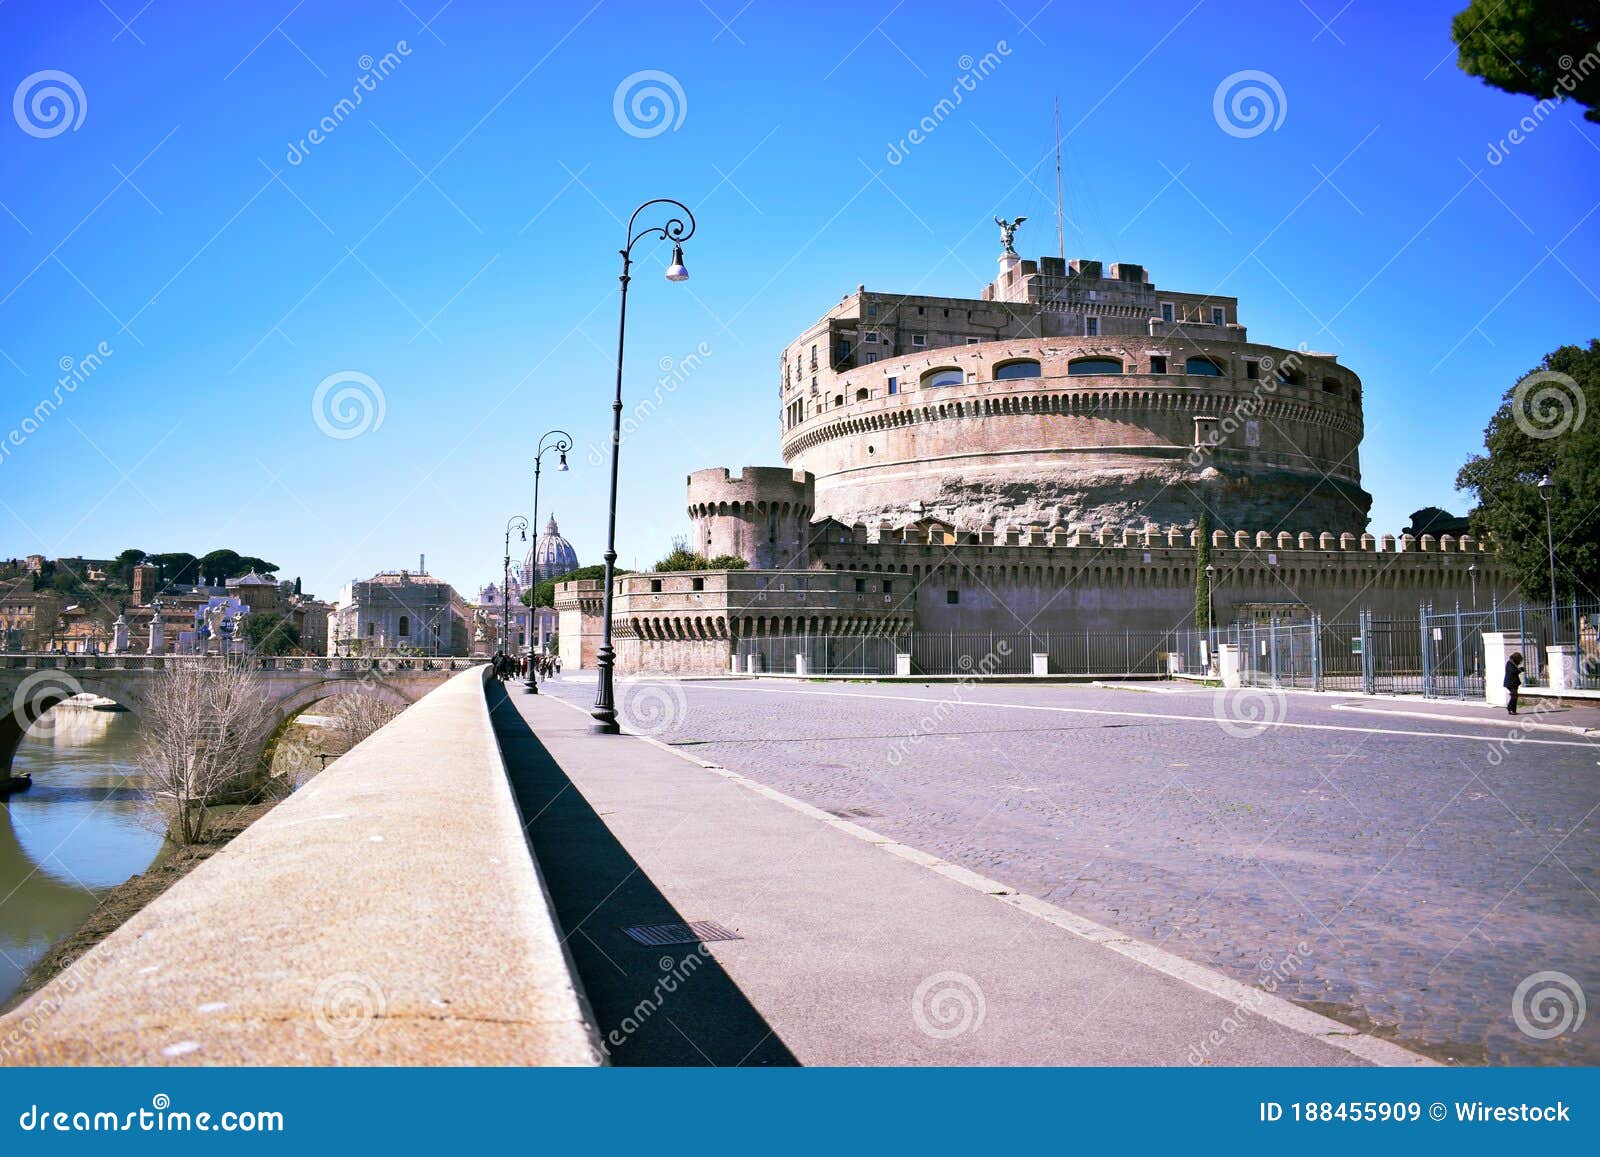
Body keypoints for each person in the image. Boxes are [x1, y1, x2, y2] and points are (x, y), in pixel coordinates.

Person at [1504, 651, 1524, 715]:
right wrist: (1520, 670)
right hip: (1510, 683)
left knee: (1514, 696)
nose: (1519, 662)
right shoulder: (1509, 663)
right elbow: (1513, 671)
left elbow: (1515, 670)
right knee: (1514, 696)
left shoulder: (1513, 663)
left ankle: (1513, 710)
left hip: (1514, 683)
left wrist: (1520, 669)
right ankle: (1510, 708)